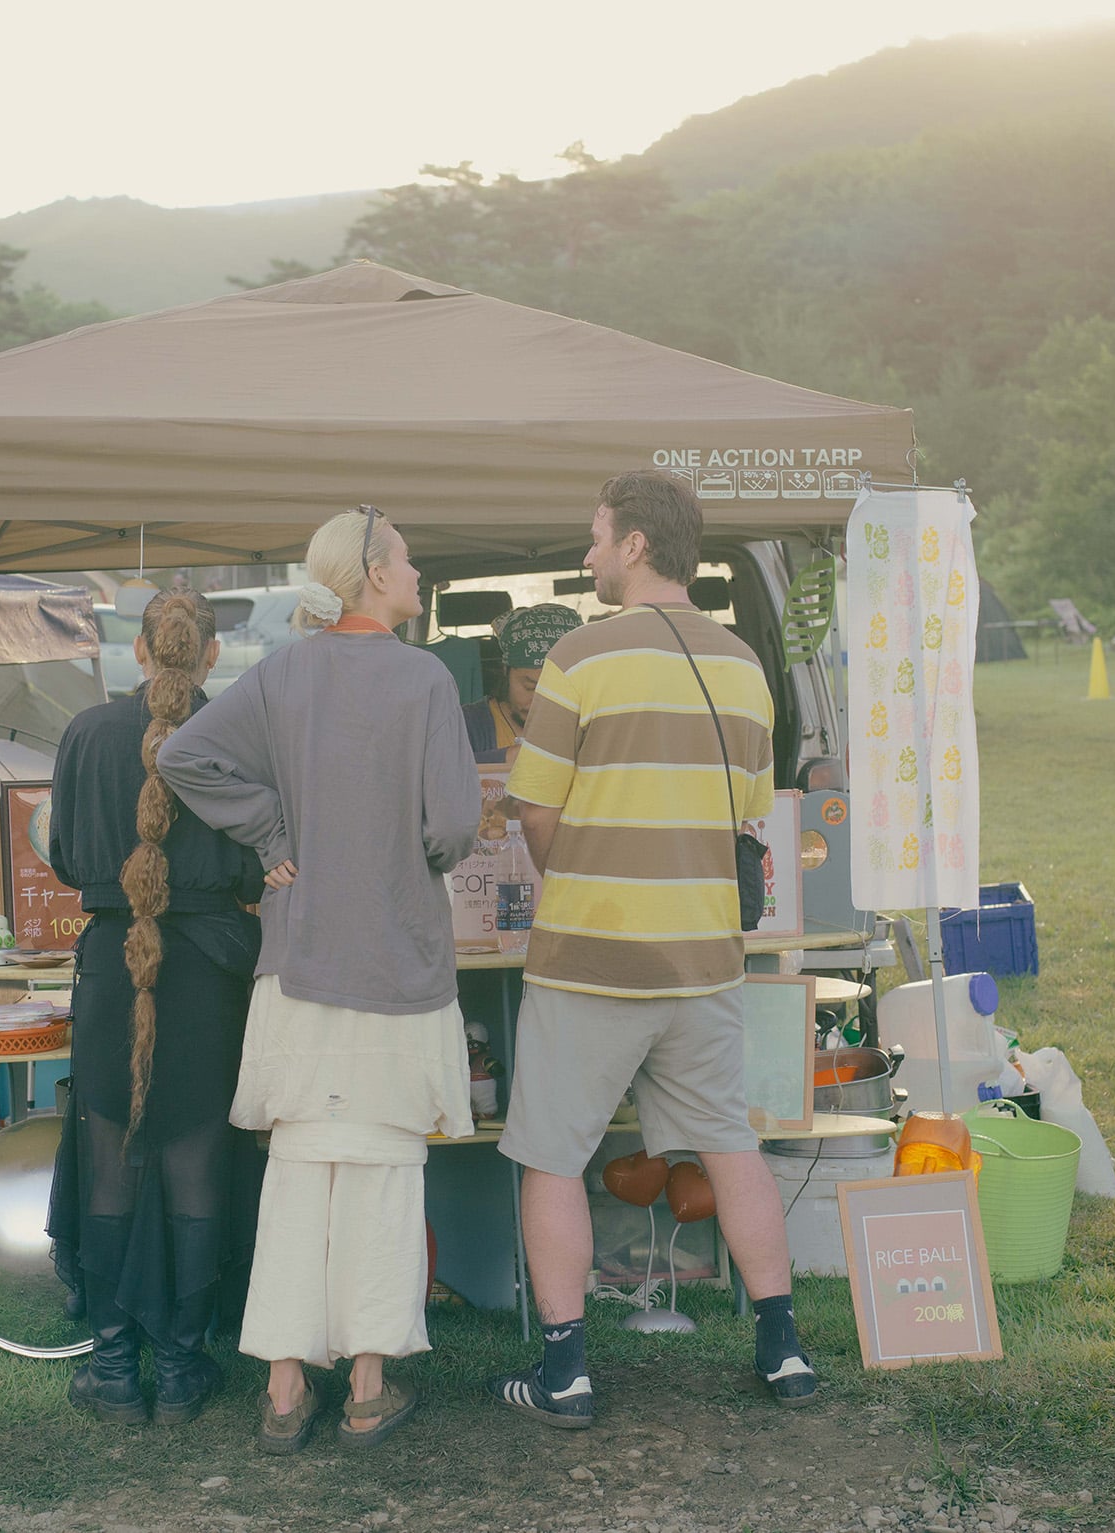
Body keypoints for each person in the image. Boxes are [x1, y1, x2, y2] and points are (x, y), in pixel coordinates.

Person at [487, 468, 817, 1428]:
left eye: (596, 536)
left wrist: (581, 871)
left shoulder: (580, 660)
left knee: (552, 1157)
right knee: (729, 1144)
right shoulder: (746, 667)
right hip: (705, 958)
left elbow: (534, 812)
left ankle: (566, 1372)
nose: (587, 554)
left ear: (635, 545)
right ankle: (783, 1349)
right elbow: (748, 817)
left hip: (591, 957)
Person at [158, 505, 481, 1455]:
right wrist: (405, 843)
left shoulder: (282, 671)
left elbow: (184, 755)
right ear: (376, 573)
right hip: (397, 960)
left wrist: (273, 831)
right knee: (381, 1174)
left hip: (297, 966)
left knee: (298, 1175)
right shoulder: (424, 679)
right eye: (411, 562)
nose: (418, 577)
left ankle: (285, 1391)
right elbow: (454, 825)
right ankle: (370, 1388)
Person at [47, 590, 269, 1427]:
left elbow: (68, 858)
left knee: (111, 1156)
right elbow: (254, 872)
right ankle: (180, 1367)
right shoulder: (242, 735)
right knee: (196, 1162)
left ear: (138, 651)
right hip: (210, 972)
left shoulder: (84, 733)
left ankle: (113, 1366)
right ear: (211, 657)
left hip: (112, 966)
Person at [462, 603, 584, 764]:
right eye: (530, 687)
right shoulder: (467, 724)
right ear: (505, 672)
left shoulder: (592, 722)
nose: (540, 702)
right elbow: (437, 770)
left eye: (557, 690)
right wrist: (504, 758)